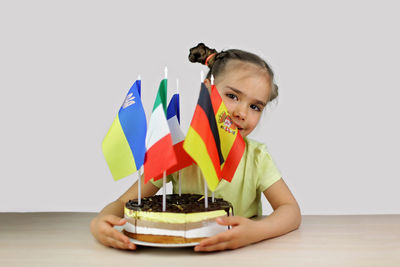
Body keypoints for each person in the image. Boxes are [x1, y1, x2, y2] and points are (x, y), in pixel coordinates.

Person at [90, 43, 301, 252]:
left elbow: (290, 211)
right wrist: (100, 222)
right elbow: (123, 202)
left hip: (243, 256)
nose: (242, 113)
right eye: (232, 96)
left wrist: (255, 232)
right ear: (207, 90)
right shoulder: (176, 153)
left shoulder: (257, 158)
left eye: (255, 107)